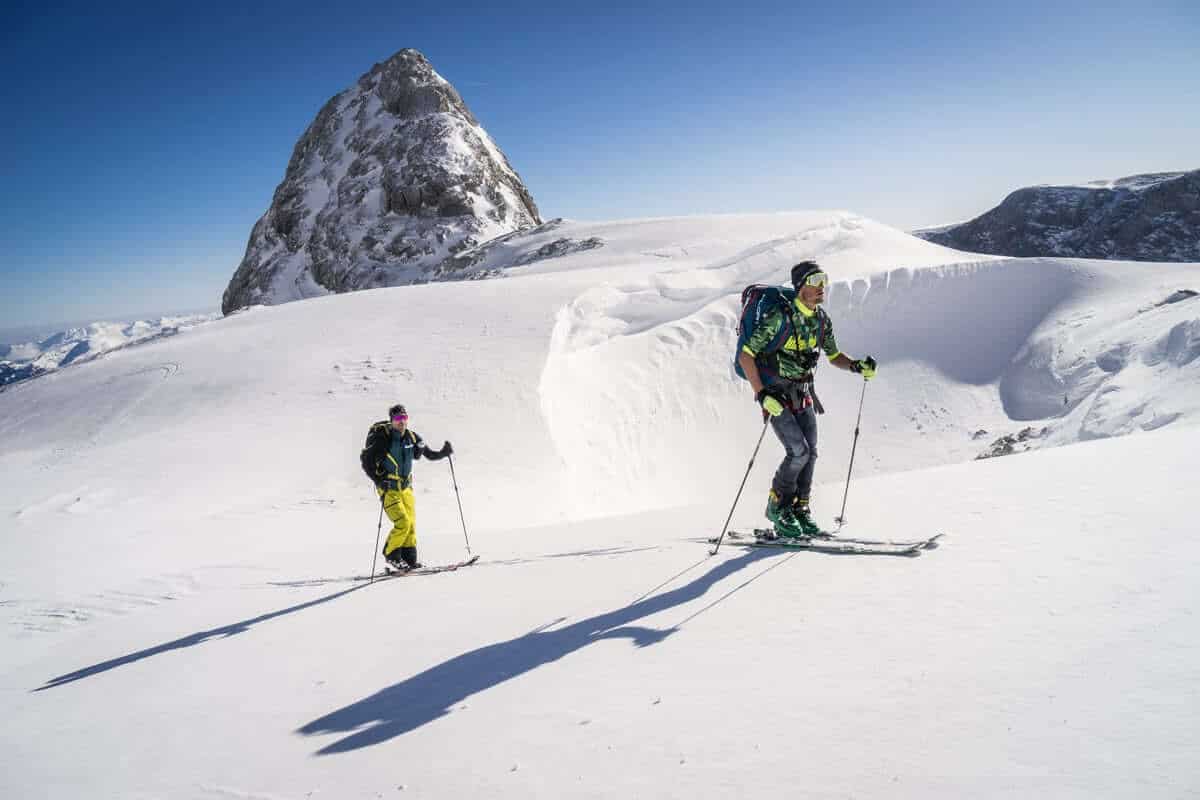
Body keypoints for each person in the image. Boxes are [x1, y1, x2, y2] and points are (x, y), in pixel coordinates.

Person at [736, 261, 877, 539]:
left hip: (802, 392)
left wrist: (856, 366)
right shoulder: (780, 318)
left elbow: (834, 355)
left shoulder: (821, 321)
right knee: (798, 451)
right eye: (815, 280)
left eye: (824, 279)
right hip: (775, 394)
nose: (822, 286)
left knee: (810, 452)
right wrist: (761, 394)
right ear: (801, 287)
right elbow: (746, 355)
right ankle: (778, 508)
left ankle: (801, 508)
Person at [359, 404, 453, 570]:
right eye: (397, 418)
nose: (401, 421)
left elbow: (428, 454)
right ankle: (391, 554)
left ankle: (409, 559)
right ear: (392, 420)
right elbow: (366, 461)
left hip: (406, 488)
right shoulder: (383, 439)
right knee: (403, 522)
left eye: (404, 418)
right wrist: (379, 480)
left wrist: (443, 453)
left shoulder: (411, 437)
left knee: (411, 525)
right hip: (389, 489)